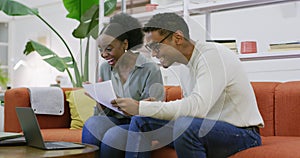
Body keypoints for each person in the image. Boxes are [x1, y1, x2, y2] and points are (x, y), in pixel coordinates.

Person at [111, 13, 264, 158]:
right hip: (203, 128)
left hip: (242, 133)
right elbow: (189, 112)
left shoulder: (212, 56)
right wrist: (151, 108)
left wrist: (140, 106)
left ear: (177, 37)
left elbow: (197, 108)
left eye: (156, 47)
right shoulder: (185, 67)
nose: (154, 55)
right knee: (141, 120)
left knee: (184, 126)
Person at [81, 13, 164, 157]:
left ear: (125, 44)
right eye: (101, 50)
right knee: (92, 124)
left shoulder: (150, 69)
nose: (104, 55)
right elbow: (103, 115)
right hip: (115, 120)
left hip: (137, 125)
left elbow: (153, 112)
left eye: (109, 49)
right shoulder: (105, 68)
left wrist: (126, 104)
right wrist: (99, 98)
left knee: (112, 137)